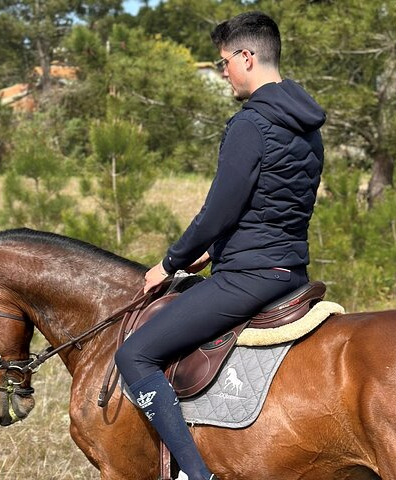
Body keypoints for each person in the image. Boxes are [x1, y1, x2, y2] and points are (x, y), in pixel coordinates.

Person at [115, 11, 326, 480]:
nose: (223, 73)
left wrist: (170, 263)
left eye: (222, 63)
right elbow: (276, 205)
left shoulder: (251, 123)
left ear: (246, 57)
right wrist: (215, 251)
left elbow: (218, 211)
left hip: (249, 278)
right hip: (290, 271)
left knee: (134, 354)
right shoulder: (307, 124)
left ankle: (196, 473)